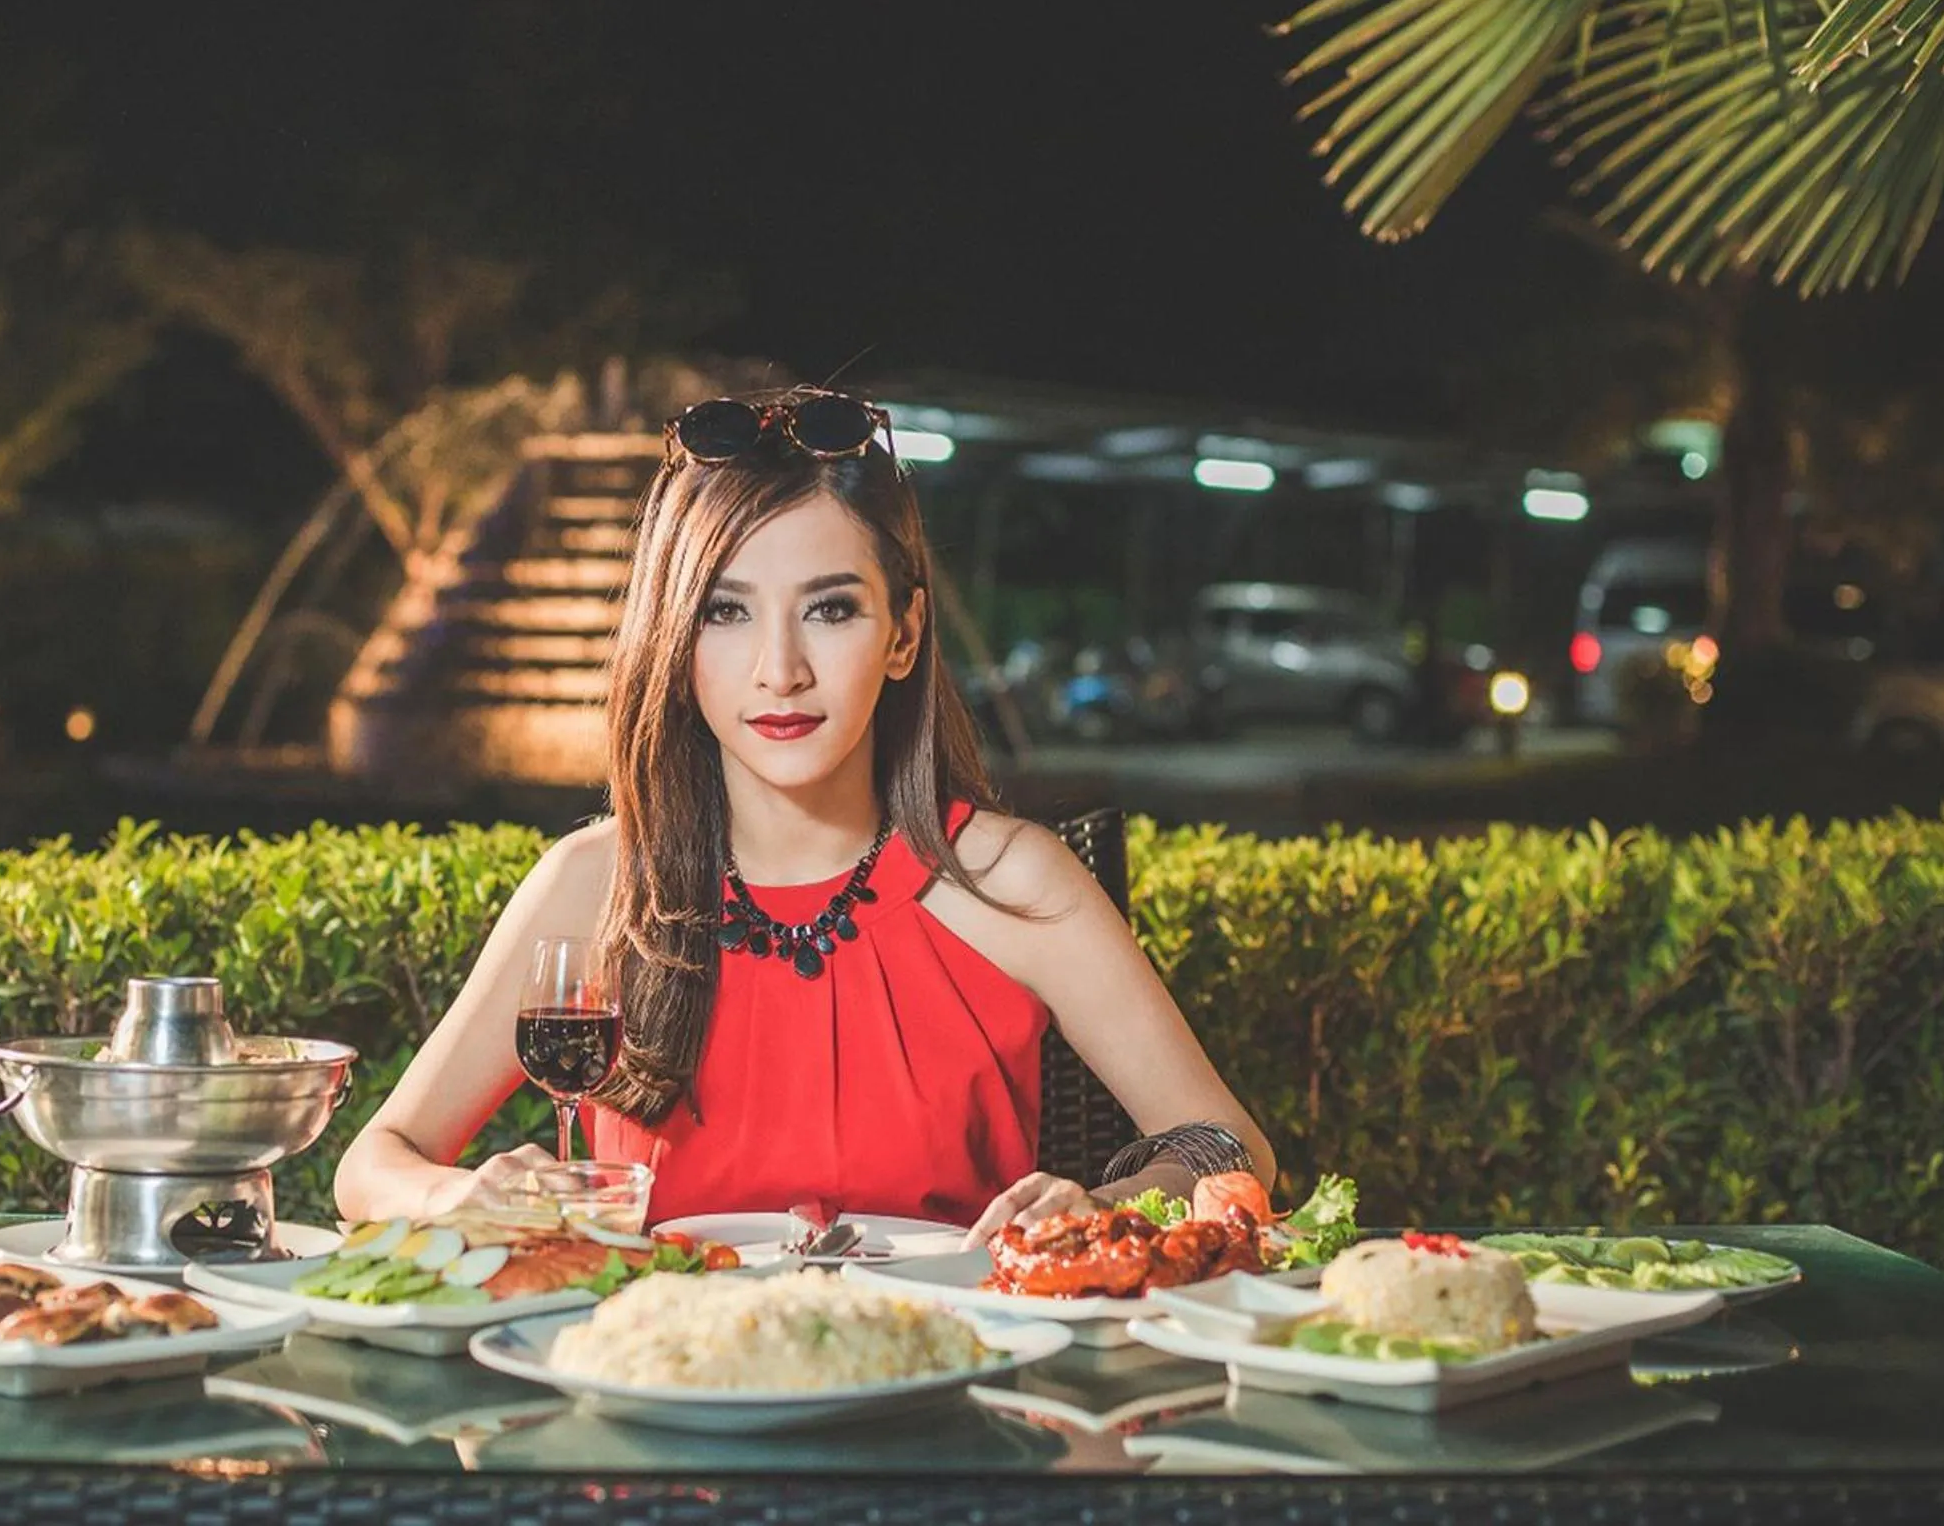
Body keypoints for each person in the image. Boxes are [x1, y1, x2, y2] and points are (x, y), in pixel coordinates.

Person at [332, 388, 1273, 1244]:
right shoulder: (596, 885)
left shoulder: (1011, 878)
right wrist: (459, 1196)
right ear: (673, 640)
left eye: (829, 609)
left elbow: (1230, 1147)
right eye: (725, 613)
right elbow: (375, 1162)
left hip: (951, 1388)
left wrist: (1101, 1206)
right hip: (658, 1392)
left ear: (903, 634)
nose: (779, 669)